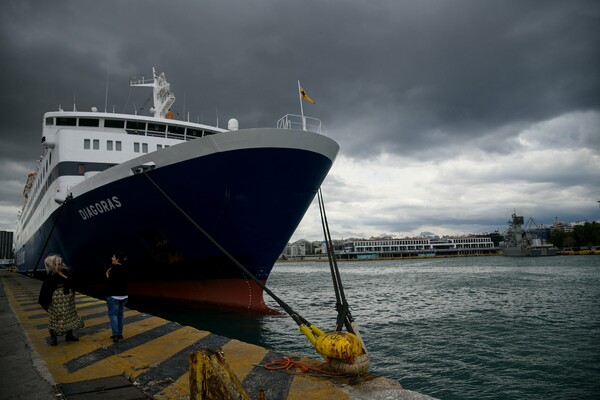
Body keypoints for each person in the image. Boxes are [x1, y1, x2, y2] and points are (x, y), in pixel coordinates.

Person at [38, 254, 85, 346]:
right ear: (54, 265)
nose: (62, 264)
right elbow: (46, 290)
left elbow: (72, 282)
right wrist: (46, 303)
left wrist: (65, 277)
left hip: (68, 301)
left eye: (61, 262)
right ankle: (53, 338)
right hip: (57, 303)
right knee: (55, 319)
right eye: (59, 263)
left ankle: (69, 335)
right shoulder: (51, 275)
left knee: (69, 317)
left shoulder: (65, 272)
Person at [105, 251, 128, 342]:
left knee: (113, 315)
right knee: (120, 315)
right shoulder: (125, 268)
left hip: (114, 296)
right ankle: (120, 334)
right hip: (124, 295)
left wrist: (107, 275)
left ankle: (115, 335)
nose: (112, 258)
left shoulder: (113, 269)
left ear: (118, 259)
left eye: (114, 257)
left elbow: (110, 283)